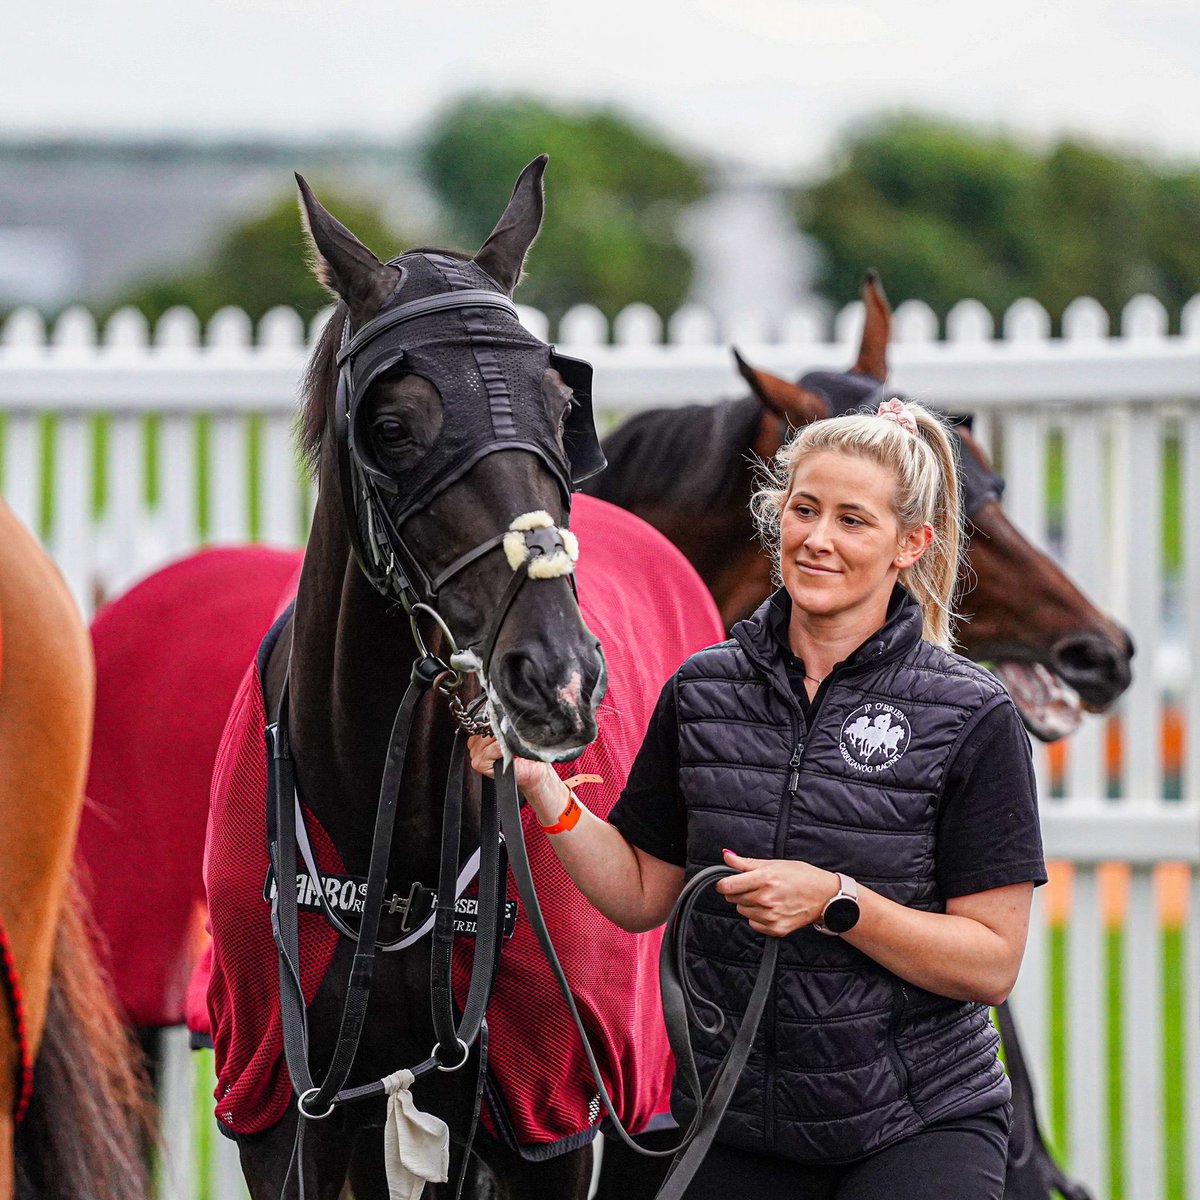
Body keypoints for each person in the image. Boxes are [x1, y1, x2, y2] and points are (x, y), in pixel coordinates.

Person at [469, 397, 1046, 1199]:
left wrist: (837, 903)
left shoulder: (971, 714)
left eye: (853, 520)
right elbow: (641, 893)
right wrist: (542, 787)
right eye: (804, 510)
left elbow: (990, 962)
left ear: (910, 545)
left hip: (918, 1124)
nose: (817, 538)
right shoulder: (703, 690)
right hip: (739, 1123)